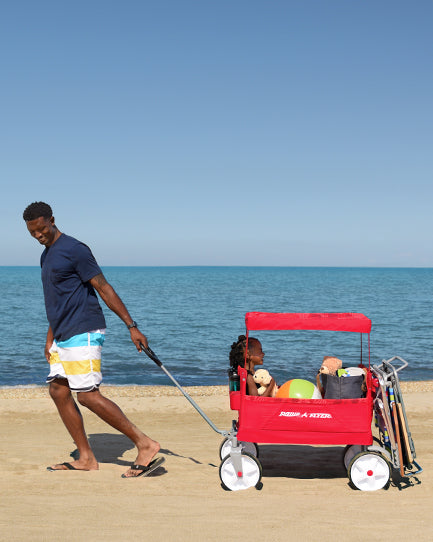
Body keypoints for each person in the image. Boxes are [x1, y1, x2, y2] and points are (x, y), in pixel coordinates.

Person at [23, 201, 164, 478]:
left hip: (83, 330)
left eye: (41, 229)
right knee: (59, 390)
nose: (38, 236)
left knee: (87, 396)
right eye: (32, 233)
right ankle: (86, 457)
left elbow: (103, 287)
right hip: (62, 334)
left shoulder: (75, 249)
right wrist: (49, 338)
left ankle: (145, 444)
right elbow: (55, 300)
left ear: (52, 220)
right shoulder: (46, 255)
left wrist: (131, 326)